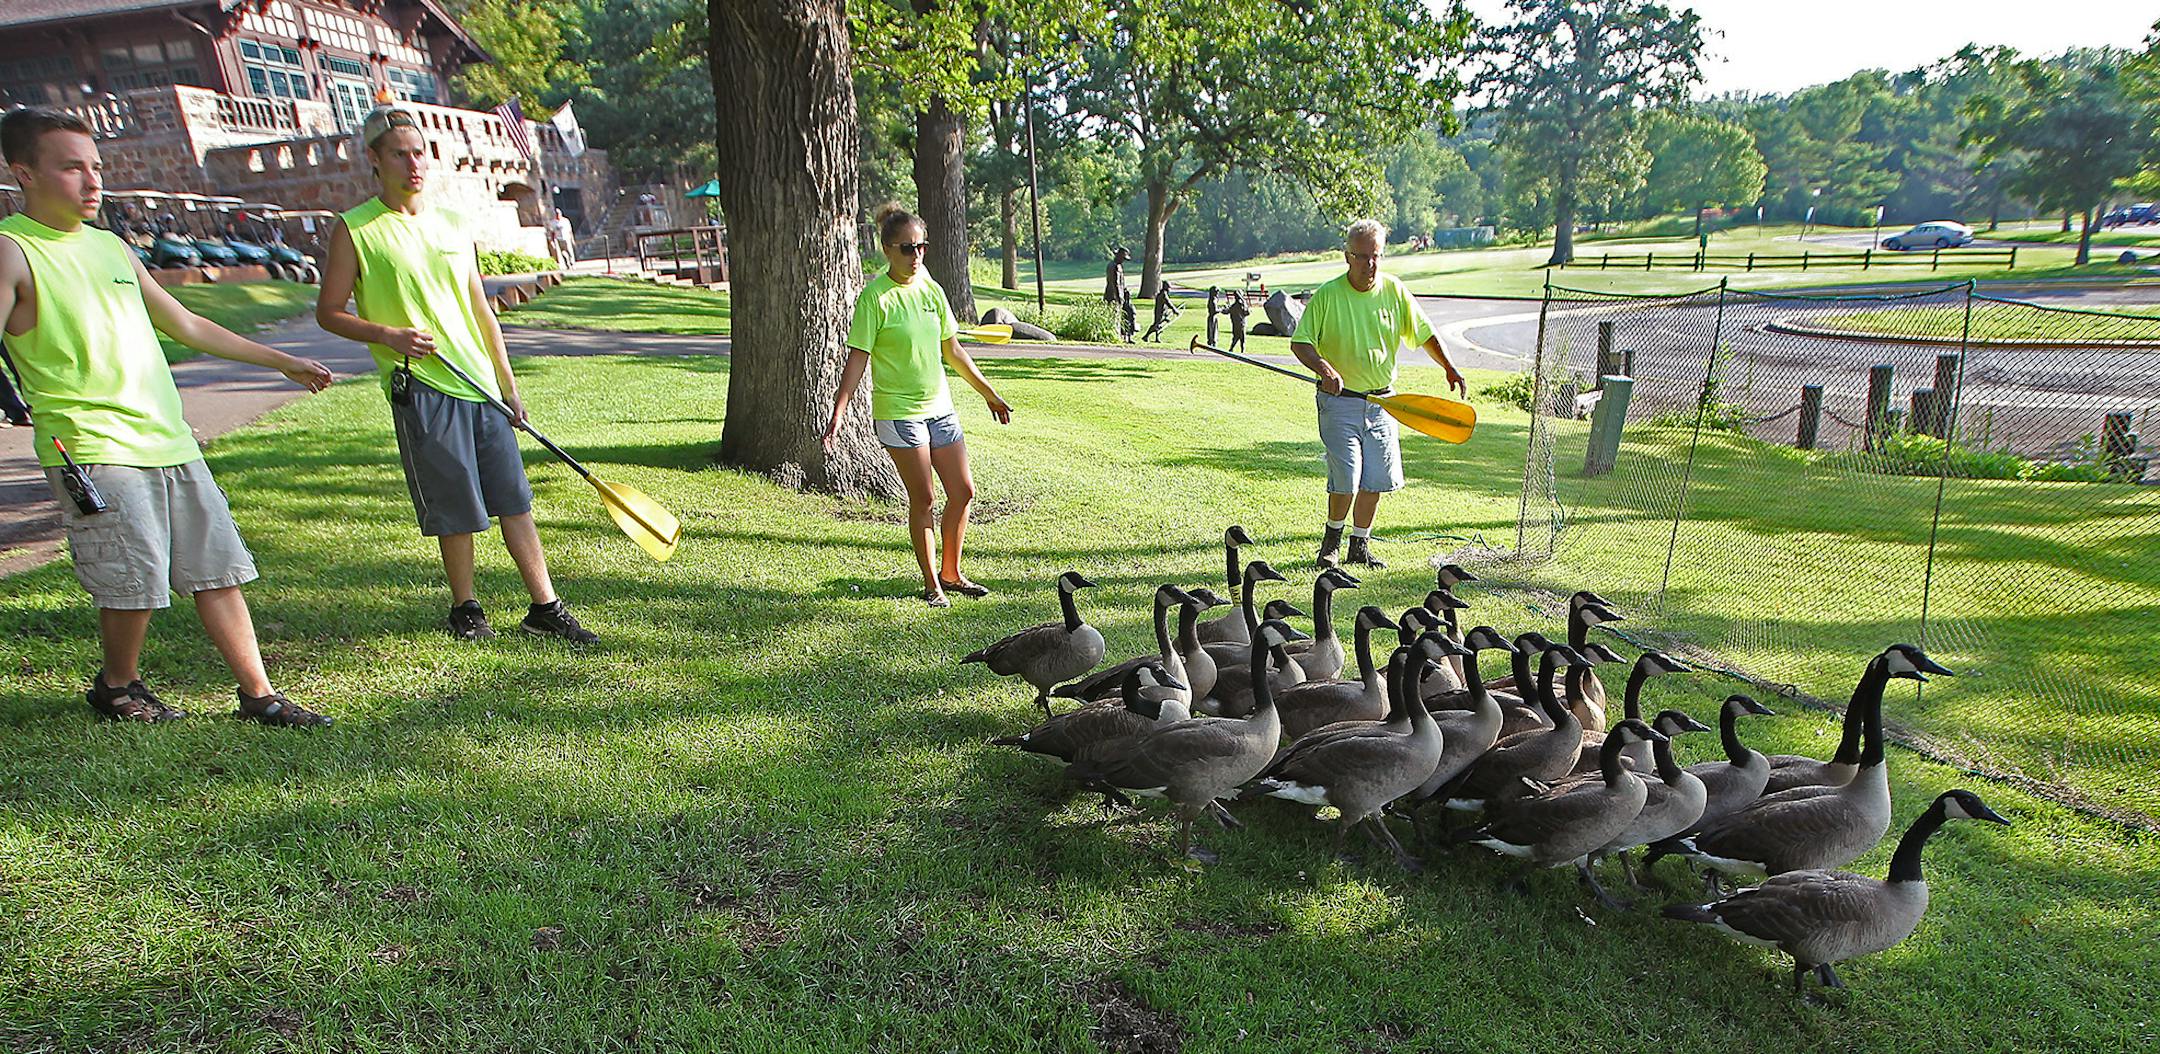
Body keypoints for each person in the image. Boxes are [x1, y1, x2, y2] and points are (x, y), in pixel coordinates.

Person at [0, 108, 335, 726]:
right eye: (72, 167)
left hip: (168, 439)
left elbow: (184, 323)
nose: (92, 180)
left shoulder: (111, 247)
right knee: (134, 580)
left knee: (217, 569)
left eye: (95, 166)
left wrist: (280, 359)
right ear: (24, 173)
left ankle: (258, 695)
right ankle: (117, 686)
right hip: (92, 445)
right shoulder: (12, 251)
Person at [316, 105, 598, 644]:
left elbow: (481, 309)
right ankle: (466, 606)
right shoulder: (355, 231)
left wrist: (508, 386)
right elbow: (329, 313)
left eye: (418, 152)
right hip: (423, 386)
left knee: (514, 497)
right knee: (456, 504)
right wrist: (389, 336)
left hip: (481, 386)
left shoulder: (451, 225)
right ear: (375, 160)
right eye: (398, 154)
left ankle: (546, 606)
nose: (412, 163)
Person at [823, 203, 1012, 608]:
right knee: (924, 498)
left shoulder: (931, 291)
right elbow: (858, 358)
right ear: (887, 249)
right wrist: (839, 412)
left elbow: (954, 350)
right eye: (907, 248)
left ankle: (952, 572)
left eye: (921, 247)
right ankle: (932, 584)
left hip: (940, 408)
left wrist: (988, 393)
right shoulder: (875, 298)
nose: (916, 256)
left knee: (962, 491)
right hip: (899, 412)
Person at [1289, 218, 1467, 570]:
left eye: (1376, 256)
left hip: (1383, 403)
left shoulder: (1394, 291)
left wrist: (1448, 366)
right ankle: (1331, 545)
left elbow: (1424, 333)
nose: (1370, 264)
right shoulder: (1328, 295)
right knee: (1347, 476)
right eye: (1362, 256)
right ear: (1347, 256)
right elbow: (1301, 343)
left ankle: (1360, 546)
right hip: (1340, 402)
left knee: (1375, 479)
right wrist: (1325, 370)